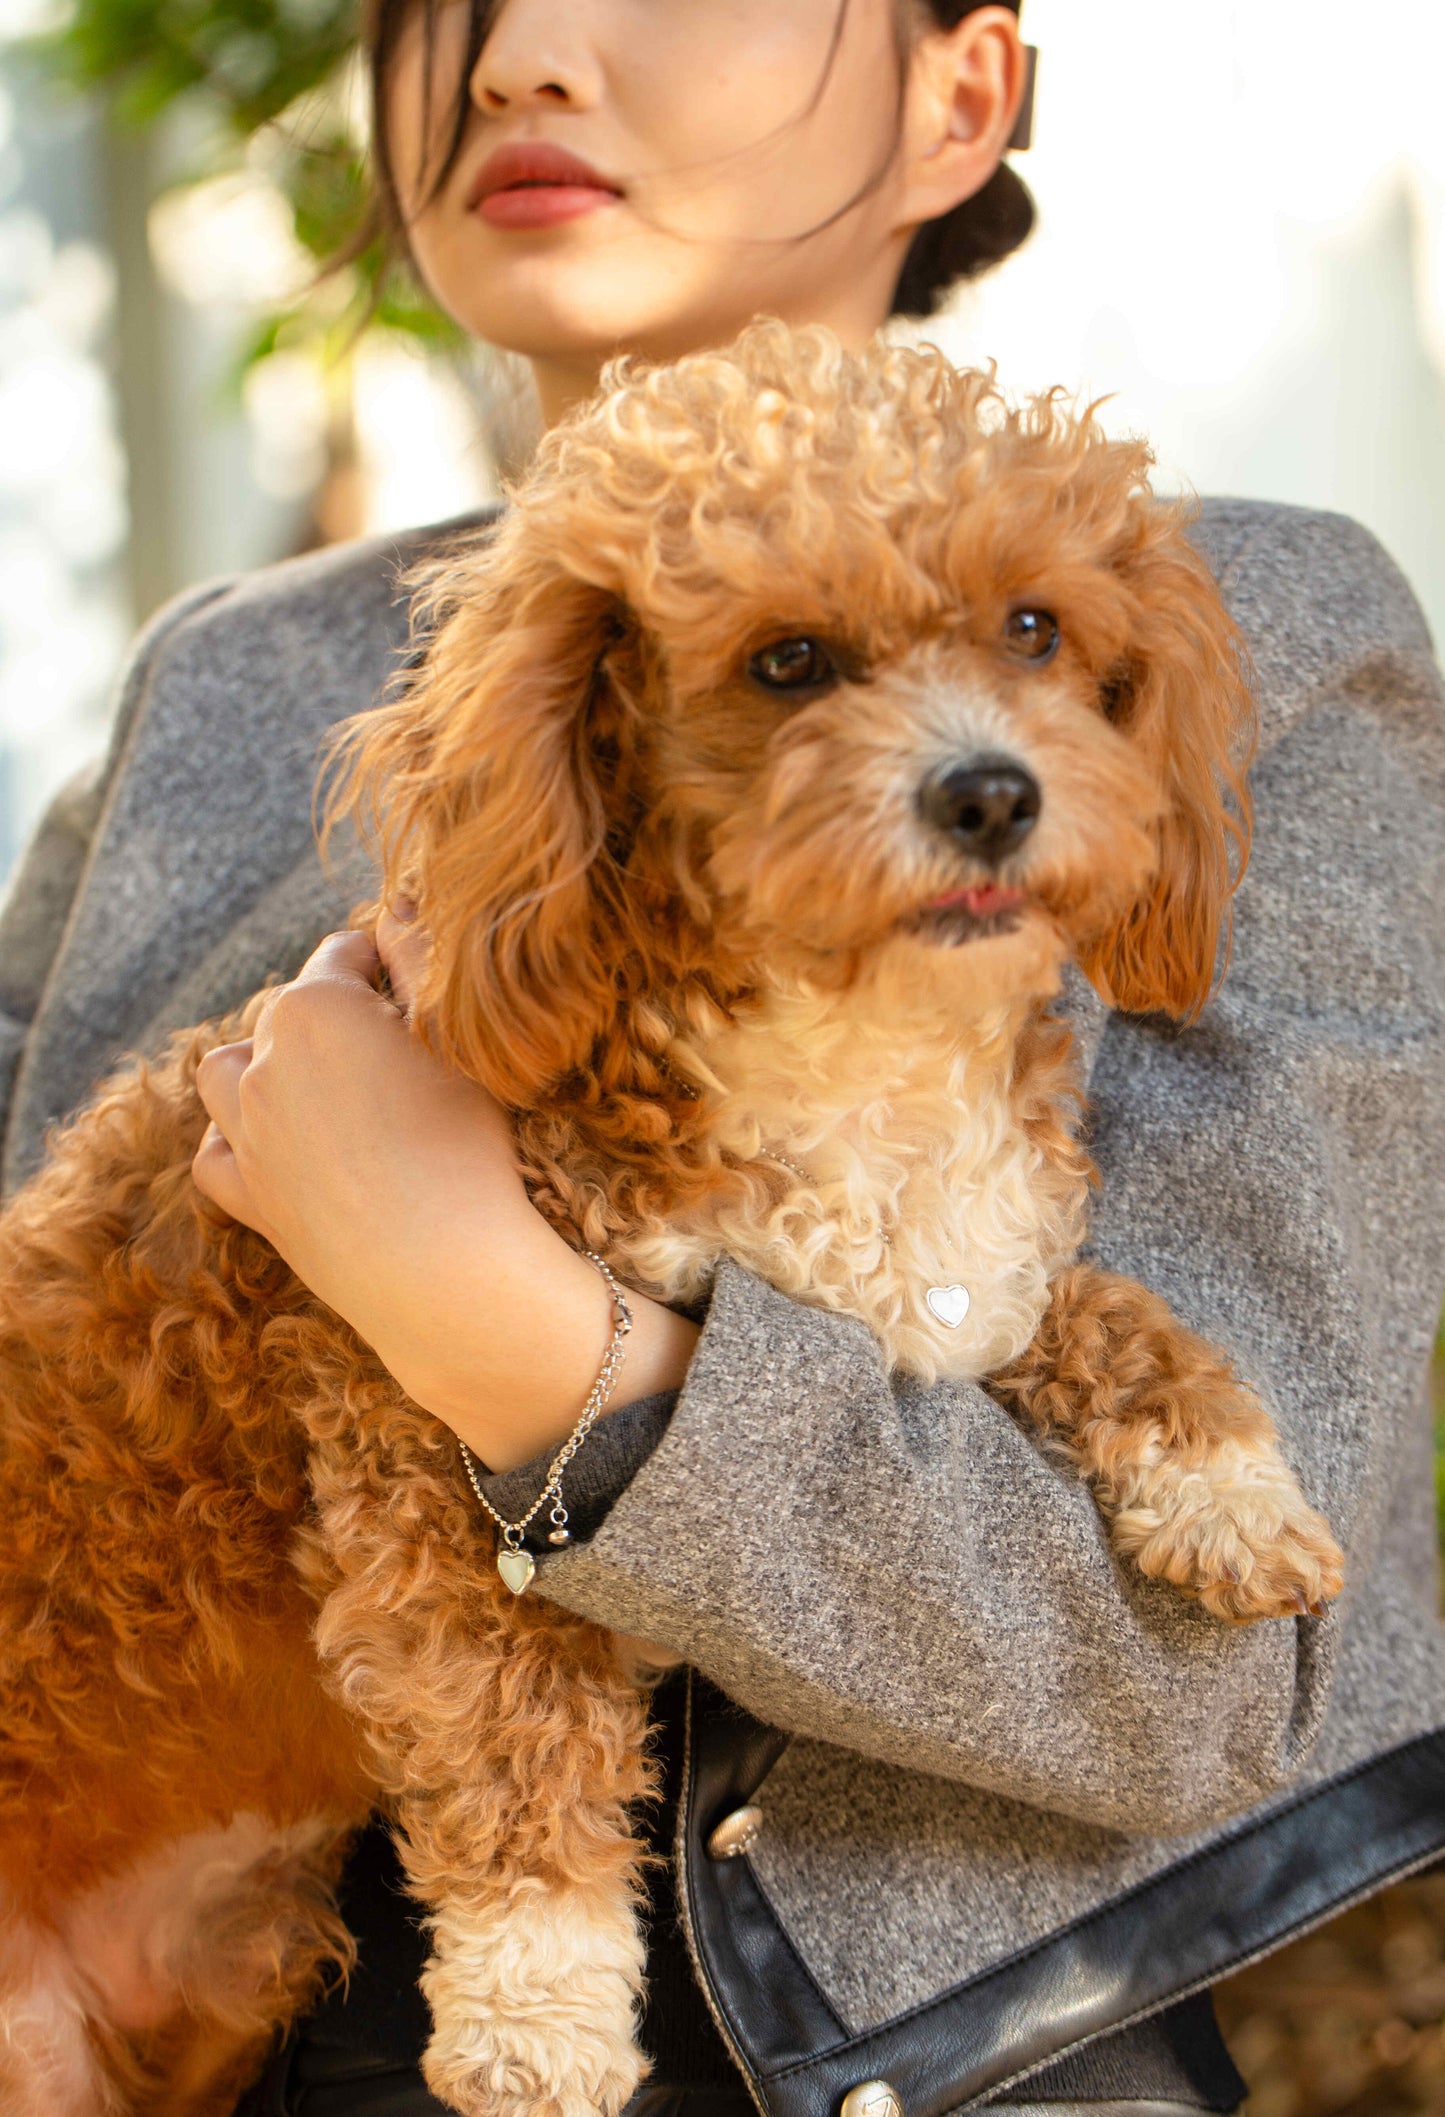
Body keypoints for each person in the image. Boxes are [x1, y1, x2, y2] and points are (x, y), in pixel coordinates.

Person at [2, 1, 1442, 2112]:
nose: (516, 62)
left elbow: (1226, 1681)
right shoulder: (222, 679)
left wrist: (510, 1336)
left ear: (961, 88)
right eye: (444, 5)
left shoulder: (1251, 639)